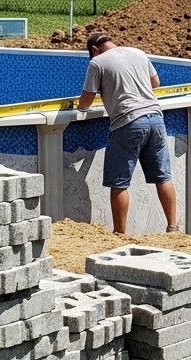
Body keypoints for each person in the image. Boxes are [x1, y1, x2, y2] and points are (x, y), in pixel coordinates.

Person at [76, 33, 179, 234]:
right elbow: (155, 83)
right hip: (156, 119)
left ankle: (120, 234)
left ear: (94, 50)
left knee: (119, 183)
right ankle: (173, 226)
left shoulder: (97, 62)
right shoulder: (138, 52)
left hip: (128, 122)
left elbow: (85, 102)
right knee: (163, 177)